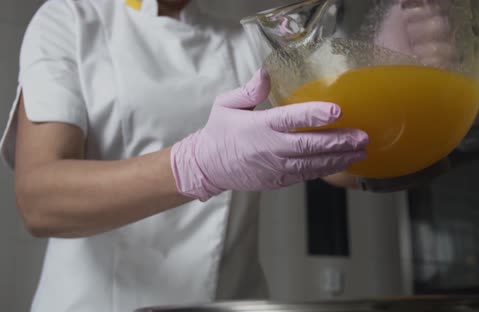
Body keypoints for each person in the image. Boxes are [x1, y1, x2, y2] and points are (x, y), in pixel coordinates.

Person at [0, 0, 450, 311]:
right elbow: (40, 200)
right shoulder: (69, 19)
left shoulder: (247, 43)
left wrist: (391, 81)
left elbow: (339, 161)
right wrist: (194, 165)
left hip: (228, 302)